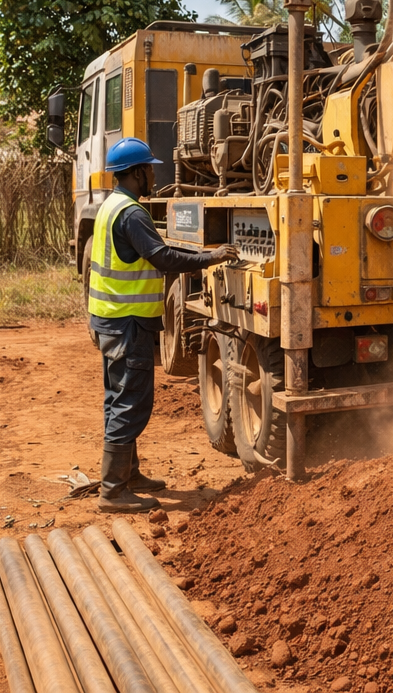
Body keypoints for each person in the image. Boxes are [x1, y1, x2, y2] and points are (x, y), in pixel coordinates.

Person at [90, 138, 239, 512]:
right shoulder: (132, 214)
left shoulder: (111, 206)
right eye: (150, 169)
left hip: (109, 319)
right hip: (127, 323)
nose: (154, 174)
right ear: (138, 172)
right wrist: (211, 257)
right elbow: (162, 257)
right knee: (131, 402)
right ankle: (113, 491)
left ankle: (128, 475)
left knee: (117, 398)